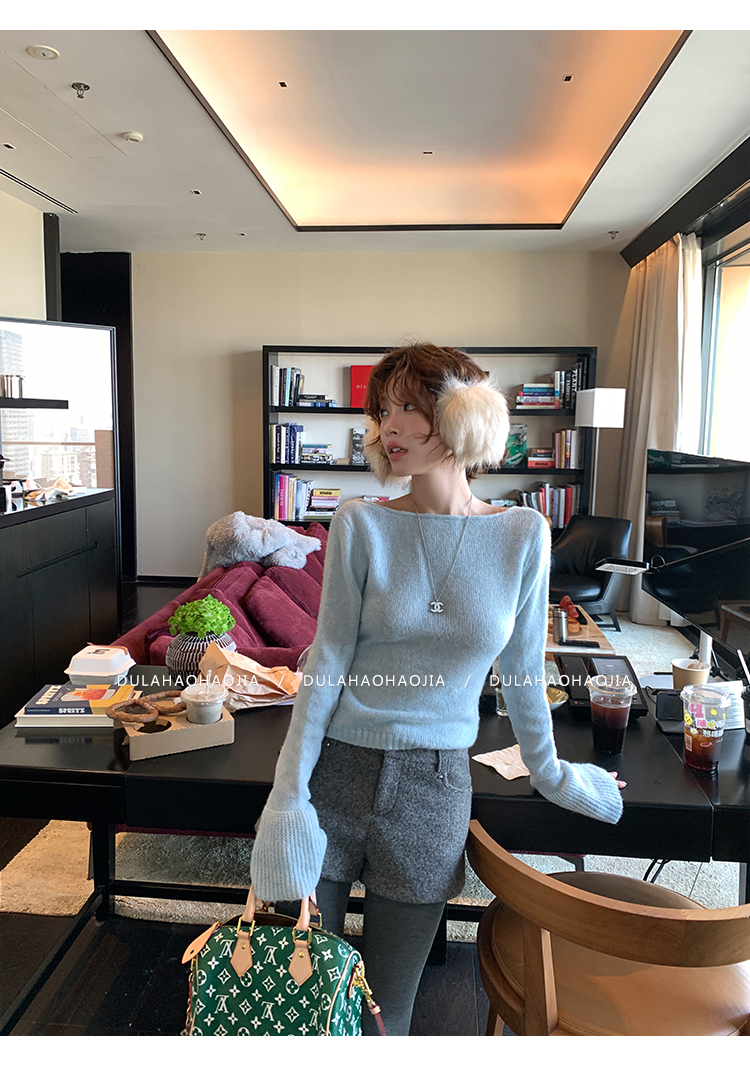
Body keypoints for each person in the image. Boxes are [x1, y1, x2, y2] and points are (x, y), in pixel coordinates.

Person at [250, 342, 625, 1035]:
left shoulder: (522, 534)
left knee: (388, 1011)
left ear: (462, 416)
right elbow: (326, 663)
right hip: (335, 774)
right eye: (381, 412)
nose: (387, 427)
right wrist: (287, 795)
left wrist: (552, 772)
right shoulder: (360, 522)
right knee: (302, 1004)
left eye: (408, 408)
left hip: (434, 787)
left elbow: (522, 670)